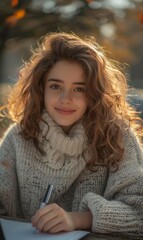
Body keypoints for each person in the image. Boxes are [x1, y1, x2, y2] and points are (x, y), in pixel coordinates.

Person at [0, 32, 143, 235]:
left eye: (79, 89)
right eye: (55, 86)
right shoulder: (19, 137)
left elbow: (139, 213)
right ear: (41, 89)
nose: (65, 99)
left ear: (95, 94)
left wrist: (78, 219)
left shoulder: (117, 137)